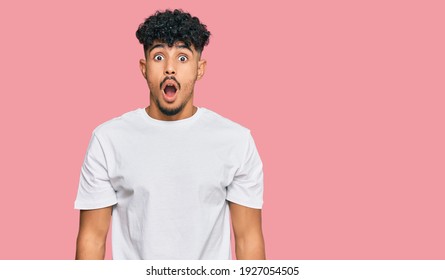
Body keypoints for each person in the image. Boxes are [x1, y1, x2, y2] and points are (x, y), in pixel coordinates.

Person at [74, 9, 265, 260]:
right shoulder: (108, 140)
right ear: (144, 68)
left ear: (200, 68)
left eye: (183, 58)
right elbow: (92, 239)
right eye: (159, 56)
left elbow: (248, 239)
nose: (170, 68)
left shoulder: (236, 141)